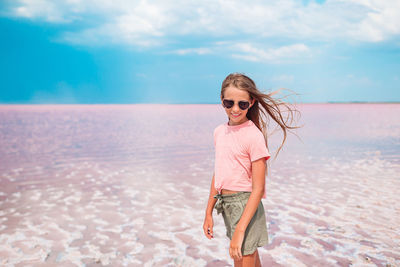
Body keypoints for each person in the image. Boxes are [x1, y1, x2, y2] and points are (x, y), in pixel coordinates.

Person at [203, 73, 301, 266]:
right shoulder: (219, 132)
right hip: (228, 205)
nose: (235, 109)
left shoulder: (253, 136)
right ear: (222, 101)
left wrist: (240, 231)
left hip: (246, 207)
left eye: (242, 104)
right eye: (229, 103)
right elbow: (219, 173)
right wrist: (208, 213)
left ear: (252, 102)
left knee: (242, 260)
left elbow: (258, 189)